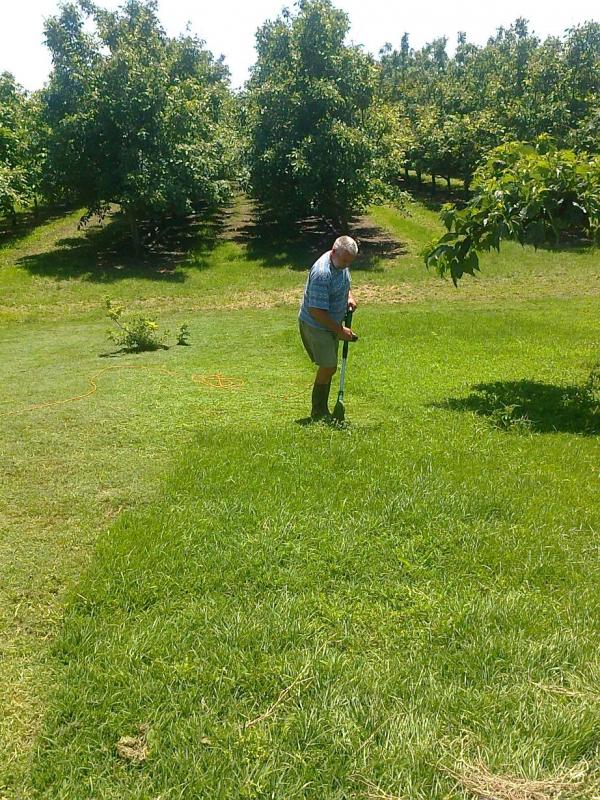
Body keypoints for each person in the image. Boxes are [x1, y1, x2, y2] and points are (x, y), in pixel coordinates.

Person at [298, 235, 358, 420]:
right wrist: (340, 330)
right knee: (328, 366)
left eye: (350, 262)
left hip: (330, 323)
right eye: (345, 261)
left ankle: (322, 409)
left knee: (330, 366)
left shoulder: (340, 263)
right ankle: (319, 411)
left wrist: (349, 297)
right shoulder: (322, 273)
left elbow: (344, 282)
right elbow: (316, 311)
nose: (347, 265)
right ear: (334, 252)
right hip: (316, 325)